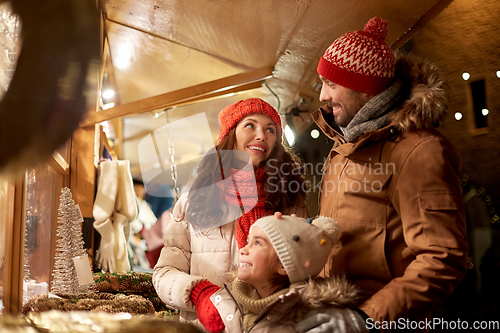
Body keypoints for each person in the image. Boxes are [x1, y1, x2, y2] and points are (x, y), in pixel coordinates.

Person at [296, 17, 469, 332]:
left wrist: (365, 319)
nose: (322, 96)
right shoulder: (343, 147)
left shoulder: (419, 151)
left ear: (365, 88)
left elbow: (441, 257)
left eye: (331, 83)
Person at [153, 98, 308, 329]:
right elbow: (164, 272)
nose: (261, 135)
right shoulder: (193, 201)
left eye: (270, 130)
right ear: (231, 134)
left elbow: (302, 276)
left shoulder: (288, 201)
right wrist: (198, 293)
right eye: (250, 125)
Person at [201, 212, 367, 333]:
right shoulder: (232, 306)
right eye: (247, 241)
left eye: (257, 243)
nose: (243, 249)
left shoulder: (315, 321)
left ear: (283, 264)